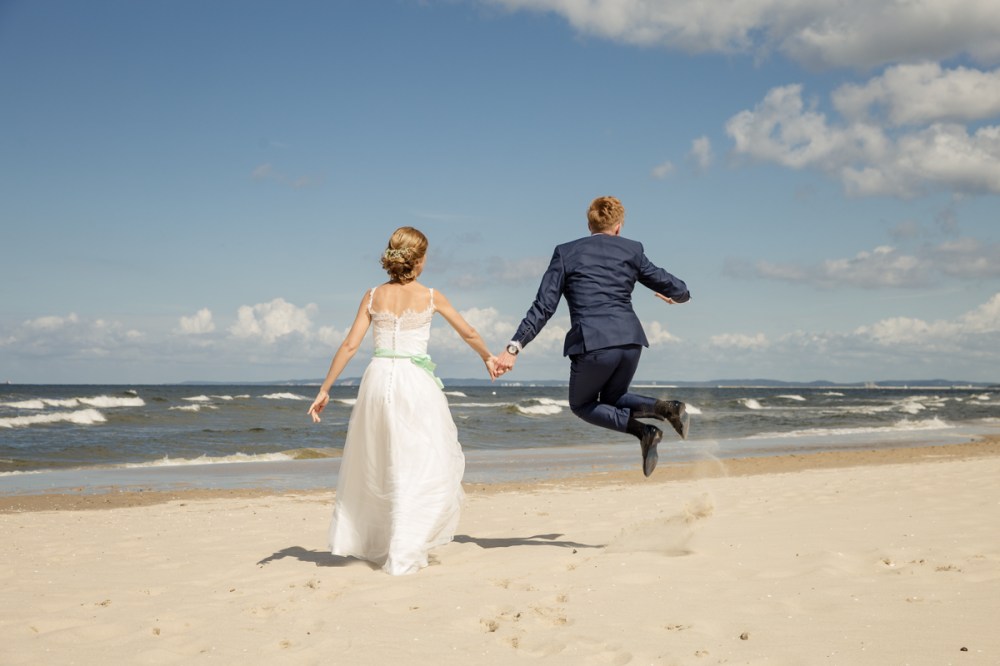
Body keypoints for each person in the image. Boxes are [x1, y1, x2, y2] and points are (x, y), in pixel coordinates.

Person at [307, 227, 497, 575]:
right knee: (419, 463)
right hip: (414, 382)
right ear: (419, 260)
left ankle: (381, 543)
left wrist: (325, 389)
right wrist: (488, 357)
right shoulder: (430, 296)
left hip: (377, 380)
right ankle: (404, 550)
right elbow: (467, 331)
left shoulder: (371, 296)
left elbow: (349, 346)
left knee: (379, 461)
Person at [493, 196, 691, 478]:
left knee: (582, 404)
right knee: (614, 397)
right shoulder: (632, 250)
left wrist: (514, 347)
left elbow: (544, 306)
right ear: (619, 227)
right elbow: (676, 286)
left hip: (595, 344)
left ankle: (646, 430)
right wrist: (679, 298)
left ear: (589, 224)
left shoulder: (566, 252)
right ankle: (667, 409)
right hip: (631, 342)